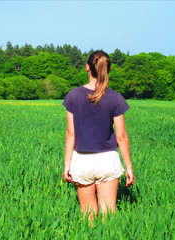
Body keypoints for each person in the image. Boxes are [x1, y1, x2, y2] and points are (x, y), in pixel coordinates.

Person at [62, 50, 134, 221]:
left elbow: (71, 133)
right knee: (108, 216)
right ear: (108, 69)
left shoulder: (73, 95)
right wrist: (129, 166)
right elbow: (121, 136)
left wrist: (67, 164)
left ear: (87, 67)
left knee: (88, 218)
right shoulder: (115, 98)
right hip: (107, 160)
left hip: (81, 160)